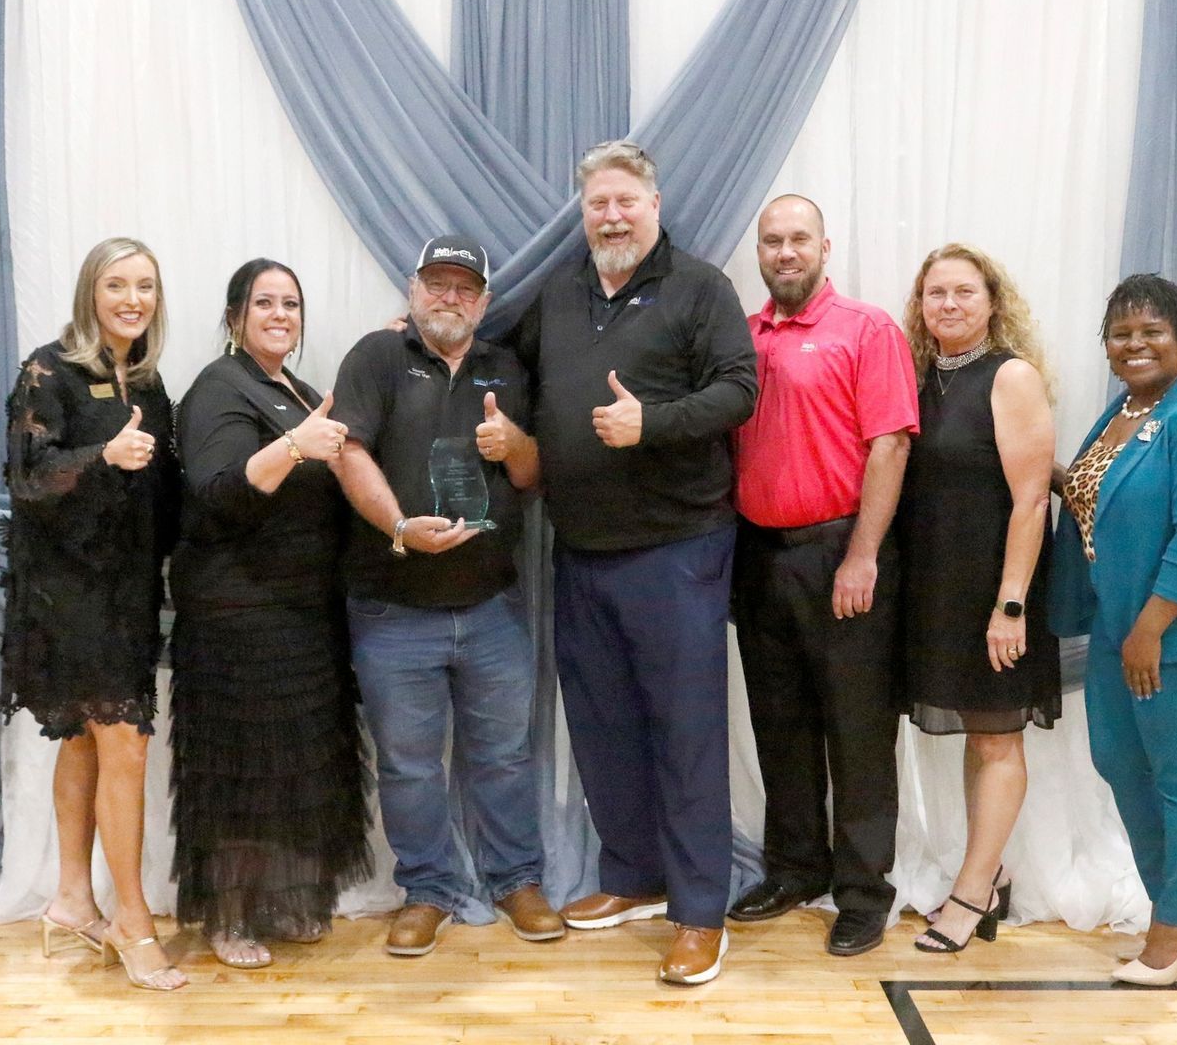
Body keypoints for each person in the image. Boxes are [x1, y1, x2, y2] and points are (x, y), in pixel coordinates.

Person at [514, 139, 758, 985]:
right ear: (581, 214)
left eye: (625, 201)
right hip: (580, 549)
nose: (611, 216)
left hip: (678, 549)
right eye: (596, 204)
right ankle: (634, 876)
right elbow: (509, 364)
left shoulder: (701, 288)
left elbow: (739, 390)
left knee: (686, 732)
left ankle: (699, 911)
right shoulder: (559, 292)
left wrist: (651, 423)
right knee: (603, 726)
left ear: (654, 206)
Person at [329, 235, 560, 958]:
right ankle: (426, 890)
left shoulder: (507, 367)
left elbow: (532, 474)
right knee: (408, 764)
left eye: (464, 287)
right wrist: (399, 525)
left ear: (485, 301)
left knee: (505, 756)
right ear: (412, 288)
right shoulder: (375, 357)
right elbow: (347, 450)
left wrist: (511, 441)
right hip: (392, 608)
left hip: (491, 607)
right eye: (437, 283)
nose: (449, 297)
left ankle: (516, 880)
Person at [167, 258, 373, 971]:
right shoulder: (220, 387)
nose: (280, 314)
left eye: (291, 303)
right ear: (235, 318)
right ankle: (228, 919)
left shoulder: (299, 391)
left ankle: (282, 904)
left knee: (292, 767)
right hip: (237, 619)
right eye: (264, 303)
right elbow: (218, 490)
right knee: (241, 773)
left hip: (302, 615)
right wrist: (293, 447)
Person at [726, 195, 917, 957]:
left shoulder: (866, 330)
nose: (785, 252)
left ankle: (864, 893)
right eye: (771, 241)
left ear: (825, 247)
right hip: (759, 555)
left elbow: (891, 447)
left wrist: (863, 555)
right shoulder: (743, 339)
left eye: (798, 238)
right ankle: (795, 868)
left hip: (844, 551)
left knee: (859, 733)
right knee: (781, 726)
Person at [1047, 273, 1177, 986]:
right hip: (1115, 624)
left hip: (1174, 635)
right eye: (1122, 333)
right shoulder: (1124, 413)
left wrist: (1151, 631)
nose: (1135, 344)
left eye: (1151, 332)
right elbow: (1101, 495)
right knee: (1118, 762)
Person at [0, 236, 185, 991]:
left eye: (145, 285)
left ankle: (73, 900)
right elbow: (27, 477)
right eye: (117, 285)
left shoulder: (149, 378)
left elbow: (166, 489)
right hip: (68, 589)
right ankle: (131, 919)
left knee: (83, 740)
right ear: (90, 294)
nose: (132, 299)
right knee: (125, 744)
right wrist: (104, 459)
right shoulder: (47, 369)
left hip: (129, 586)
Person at [896, 243, 1061, 953]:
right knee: (979, 731)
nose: (950, 304)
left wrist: (1011, 605)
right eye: (936, 293)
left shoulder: (1011, 377)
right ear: (921, 304)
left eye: (965, 291)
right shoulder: (919, 377)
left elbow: (1031, 501)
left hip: (996, 591)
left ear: (993, 302)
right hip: (936, 590)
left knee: (998, 735)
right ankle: (987, 877)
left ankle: (971, 895)